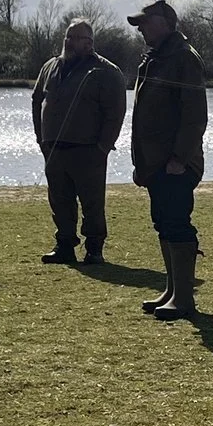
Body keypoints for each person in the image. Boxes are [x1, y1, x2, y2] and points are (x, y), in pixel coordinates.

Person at [127, 0, 208, 320]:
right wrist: (141, 163)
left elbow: (195, 116)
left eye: (145, 23)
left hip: (176, 163)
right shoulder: (154, 59)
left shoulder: (184, 59)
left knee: (177, 223)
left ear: (164, 23)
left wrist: (180, 158)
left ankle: (184, 299)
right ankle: (172, 290)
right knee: (163, 222)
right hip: (154, 162)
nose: (141, 30)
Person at [31, 18, 127, 263]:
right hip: (54, 149)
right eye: (68, 37)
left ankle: (94, 249)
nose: (71, 42)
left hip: (89, 151)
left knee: (92, 204)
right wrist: (41, 139)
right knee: (59, 202)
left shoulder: (106, 71)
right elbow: (36, 101)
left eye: (77, 38)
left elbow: (115, 113)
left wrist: (103, 147)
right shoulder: (50, 67)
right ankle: (64, 245)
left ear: (90, 42)